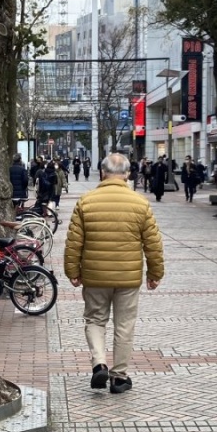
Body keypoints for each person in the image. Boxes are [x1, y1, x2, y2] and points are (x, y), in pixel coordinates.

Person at [64, 153, 164, 394]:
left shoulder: (86, 202)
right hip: (128, 278)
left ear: (102, 172)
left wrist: (72, 271)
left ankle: (99, 363)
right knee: (124, 324)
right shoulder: (140, 204)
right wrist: (155, 272)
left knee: (95, 320)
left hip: (95, 275)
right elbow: (153, 242)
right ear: (128, 174)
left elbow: (74, 242)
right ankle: (119, 377)